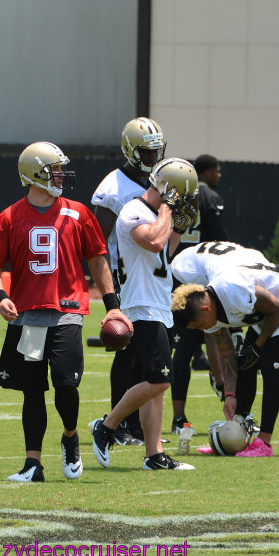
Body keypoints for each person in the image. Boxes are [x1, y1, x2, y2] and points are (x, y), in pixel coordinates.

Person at [0, 142, 129, 482]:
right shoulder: (8, 217)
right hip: (27, 315)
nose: (62, 175)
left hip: (67, 311)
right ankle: (32, 464)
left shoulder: (78, 213)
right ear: (34, 174)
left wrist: (113, 307)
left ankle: (69, 436)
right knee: (32, 389)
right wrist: (0, 296)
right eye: (55, 169)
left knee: (66, 384)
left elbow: (97, 258)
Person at [90, 158, 198, 472]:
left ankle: (154, 454)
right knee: (161, 380)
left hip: (157, 304)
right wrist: (167, 209)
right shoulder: (133, 210)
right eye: (180, 194)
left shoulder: (154, 214)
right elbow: (153, 242)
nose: (182, 202)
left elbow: (166, 250)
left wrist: (178, 225)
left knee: (156, 381)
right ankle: (107, 426)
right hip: (140, 306)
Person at [170, 240, 279, 458]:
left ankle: (264, 443)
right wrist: (230, 395)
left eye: (200, 324)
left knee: (269, 368)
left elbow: (277, 308)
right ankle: (238, 435)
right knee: (245, 364)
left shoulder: (231, 289)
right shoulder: (210, 314)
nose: (203, 330)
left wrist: (258, 347)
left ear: (205, 308)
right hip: (267, 314)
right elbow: (228, 354)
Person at [90, 117, 166, 446]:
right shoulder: (114, 188)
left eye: (157, 151)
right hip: (128, 280)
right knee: (127, 350)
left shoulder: (159, 181)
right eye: (148, 153)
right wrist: (109, 292)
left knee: (144, 357)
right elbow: (96, 244)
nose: (154, 157)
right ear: (131, 151)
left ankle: (133, 426)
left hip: (153, 279)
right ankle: (117, 425)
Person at [167, 154, 230, 434]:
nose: (219, 175)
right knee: (200, 342)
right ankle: (222, 391)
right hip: (199, 281)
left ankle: (181, 415)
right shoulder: (207, 198)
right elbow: (220, 241)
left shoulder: (169, 196)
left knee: (187, 347)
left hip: (173, 278)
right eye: (215, 171)